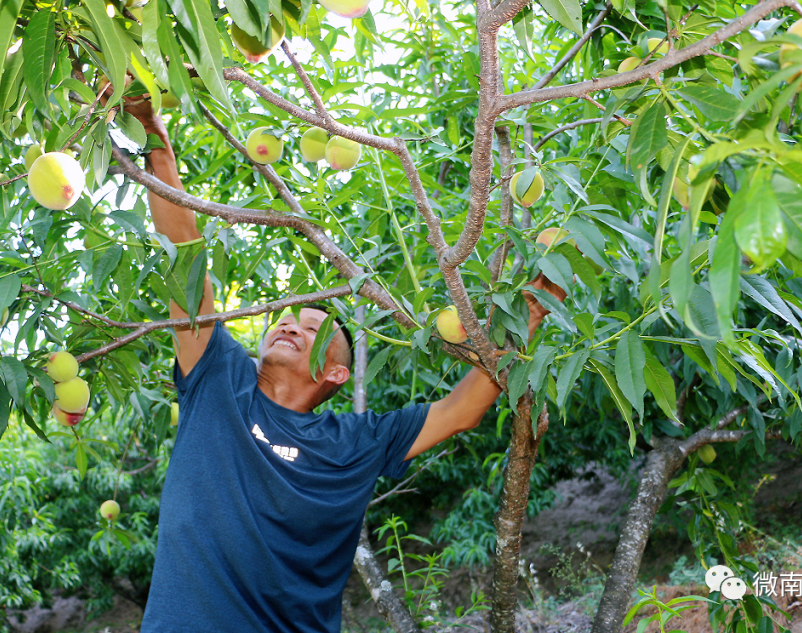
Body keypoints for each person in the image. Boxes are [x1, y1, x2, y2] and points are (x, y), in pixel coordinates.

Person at [121, 94, 566, 633]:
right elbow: (184, 249)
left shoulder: (355, 442)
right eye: (286, 319)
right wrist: (151, 129)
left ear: (336, 373)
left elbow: (461, 410)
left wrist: (531, 315)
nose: (289, 324)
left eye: (314, 329)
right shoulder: (218, 380)